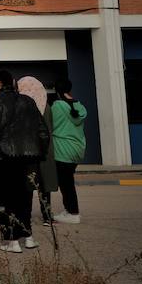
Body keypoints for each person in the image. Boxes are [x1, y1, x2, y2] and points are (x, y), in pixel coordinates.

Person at [0, 71, 49, 253]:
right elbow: (43, 132)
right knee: (24, 199)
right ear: (13, 82)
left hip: (1, 160)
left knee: (4, 199)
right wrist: (40, 154)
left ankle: (11, 240)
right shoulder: (28, 102)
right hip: (28, 159)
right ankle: (28, 237)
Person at [19, 76, 58, 237]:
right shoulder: (47, 106)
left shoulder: (23, 107)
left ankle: (24, 218)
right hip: (45, 150)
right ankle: (47, 216)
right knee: (44, 185)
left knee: (27, 186)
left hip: (28, 151)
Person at [48, 79, 88, 224]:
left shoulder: (57, 106)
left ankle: (73, 213)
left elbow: (50, 124)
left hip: (63, 150)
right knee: (67, 181)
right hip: (77, 149)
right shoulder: (79, 106)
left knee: (66, 184)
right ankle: (69, 210)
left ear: (56, 91)